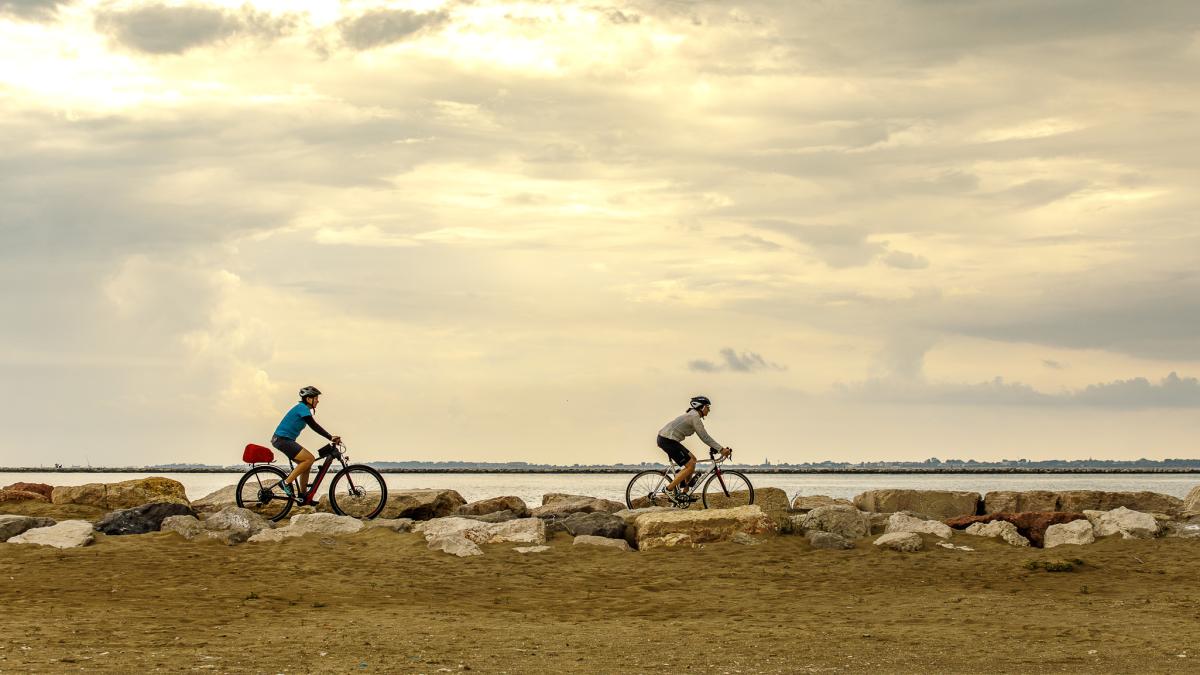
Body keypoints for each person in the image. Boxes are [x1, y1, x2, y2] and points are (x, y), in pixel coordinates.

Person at [271, 386, 340, 503]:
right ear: (308, 399)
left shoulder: (302, 409)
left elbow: (313, 425)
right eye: (316, 398)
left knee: (306, 464)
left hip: (284, 440)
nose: (318, 401)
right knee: (309, 459)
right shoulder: (302, 408)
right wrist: (330, 437)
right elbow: (313, 425)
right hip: (282, 440)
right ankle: (285, 483)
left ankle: (303, 497)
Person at [657, 395, 731, 498]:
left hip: (668, 439)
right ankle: (669, 489)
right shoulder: (694, 417)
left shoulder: (693, 415)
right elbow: (704, 437)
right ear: (701, 407)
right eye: (708, 407)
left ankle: (685, 492)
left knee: (693, 459)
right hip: (667, 440)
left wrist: (718, 448)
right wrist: (721, 449)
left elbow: (705, 437)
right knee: (690, 465)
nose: (709, 410)